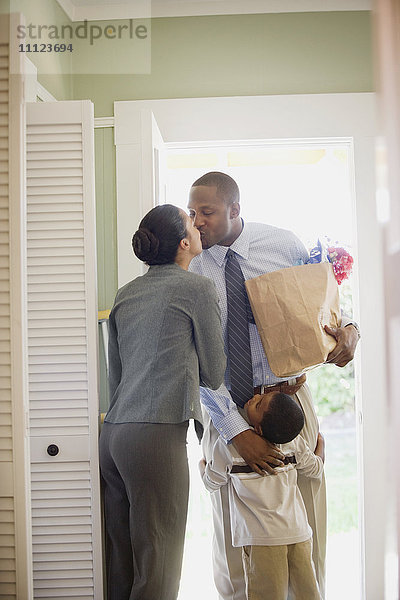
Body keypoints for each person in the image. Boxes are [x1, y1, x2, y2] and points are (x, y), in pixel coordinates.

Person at [188, 171, 360, 599]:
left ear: (234, 210)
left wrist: (351, 329)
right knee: (232, 536)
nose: (197, 222)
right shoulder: (189, 263)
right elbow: (195, 359)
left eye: (206, 212)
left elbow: (321, 307)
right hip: (224, 404)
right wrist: (236, 431)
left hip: (288, 401)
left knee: (308, 520)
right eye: (192, 213)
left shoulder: (283, 244)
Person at [99, 204, 226, 600]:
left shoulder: (127, 293)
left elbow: (115, 377)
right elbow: (214, 373)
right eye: (192, 221)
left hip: (114, 435)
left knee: (123, 560)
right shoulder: (195, 288)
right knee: (160, 562)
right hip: (155, 438)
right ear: (185, 243)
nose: (198, 223)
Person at [199, 391, 325, 600]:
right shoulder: (293, 444)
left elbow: (213, 481)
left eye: (258, 405)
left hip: (261, 541)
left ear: (258, 428)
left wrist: (202, 467)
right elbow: (315, 469)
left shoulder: (230, 447)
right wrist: (322, 448)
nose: (255, 397)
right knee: (308, 594)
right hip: (299, 535)